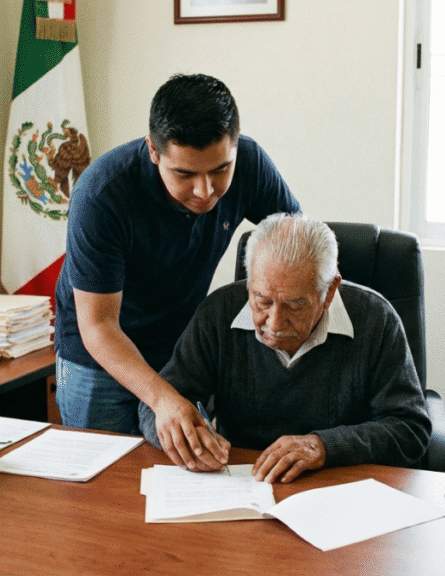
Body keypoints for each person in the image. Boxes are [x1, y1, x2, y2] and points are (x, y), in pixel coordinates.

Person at [54, 74, 301, 459]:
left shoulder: (250, 162)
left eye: (220, 170)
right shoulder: (101, 195)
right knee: (103, 491)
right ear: (153, 150)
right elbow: (99, 325)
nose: (205, 191)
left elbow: (296, 243)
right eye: (184, 174)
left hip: (178, 348)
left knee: (186, 470)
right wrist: (162, 399)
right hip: (101, 355)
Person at [139, 213, 432, 483]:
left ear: (329, 291)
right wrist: (186, 435)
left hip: (338, 487)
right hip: (242, 484)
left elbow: (410, 429)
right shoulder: (219, 312)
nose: (275, 323)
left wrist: (324, 446)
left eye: (295, 305)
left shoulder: (376, 320)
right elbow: (157, 405)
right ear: (250, 281)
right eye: (262, 300)